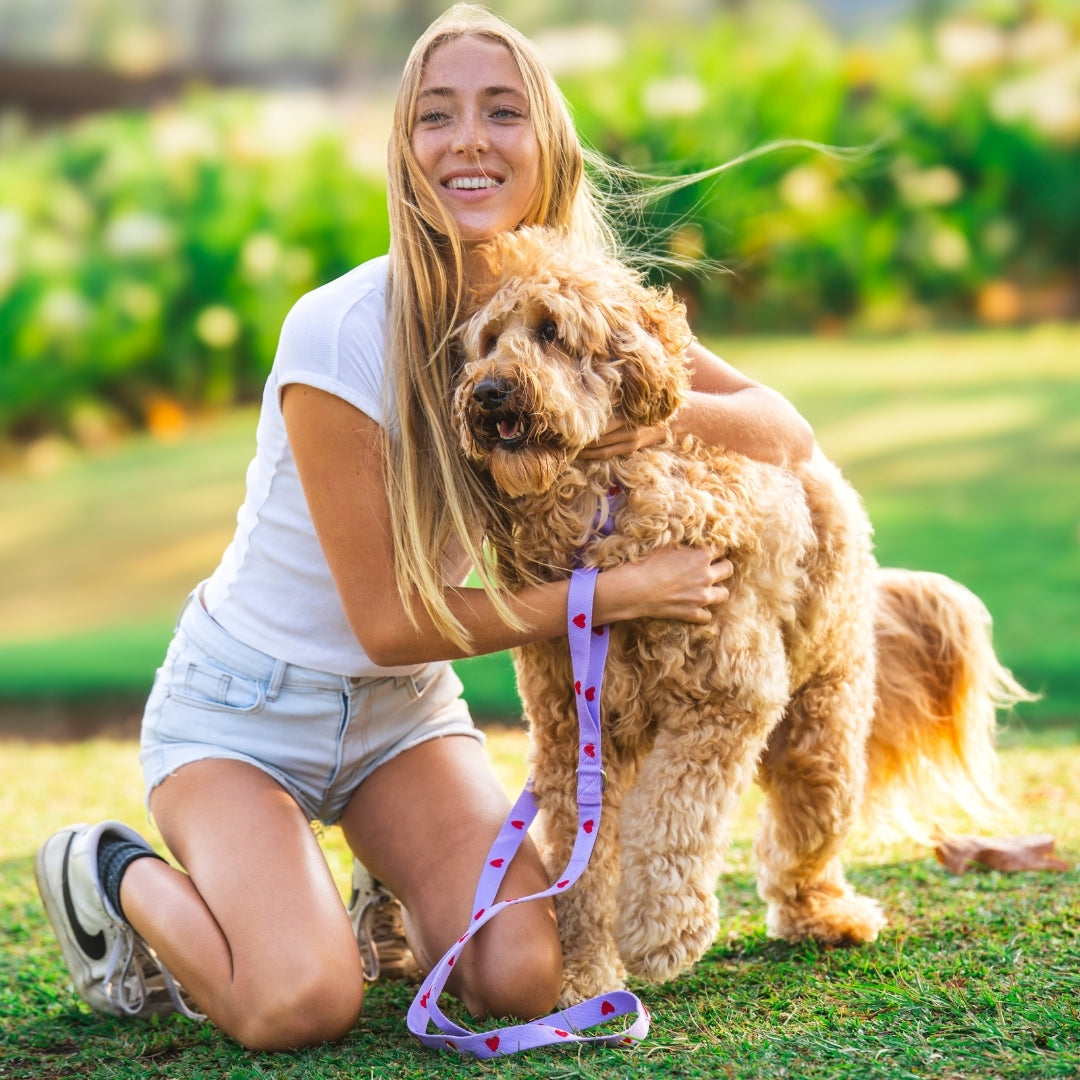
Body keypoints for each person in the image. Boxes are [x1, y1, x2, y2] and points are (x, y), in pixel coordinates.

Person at [34, 3, 813, 1052]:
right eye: (436, 116)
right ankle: (109, 871)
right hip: (248, 715)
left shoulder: (583, 307)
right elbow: (386, 623)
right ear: (406, 150)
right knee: (298, 1005)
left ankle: (379, 875)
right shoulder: (342, 332)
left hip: (400, 723)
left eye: (502, 111)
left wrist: (618, 387)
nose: (470, 140)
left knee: (525, 977)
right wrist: (612, 594)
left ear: (548, 143)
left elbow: (783, 431)